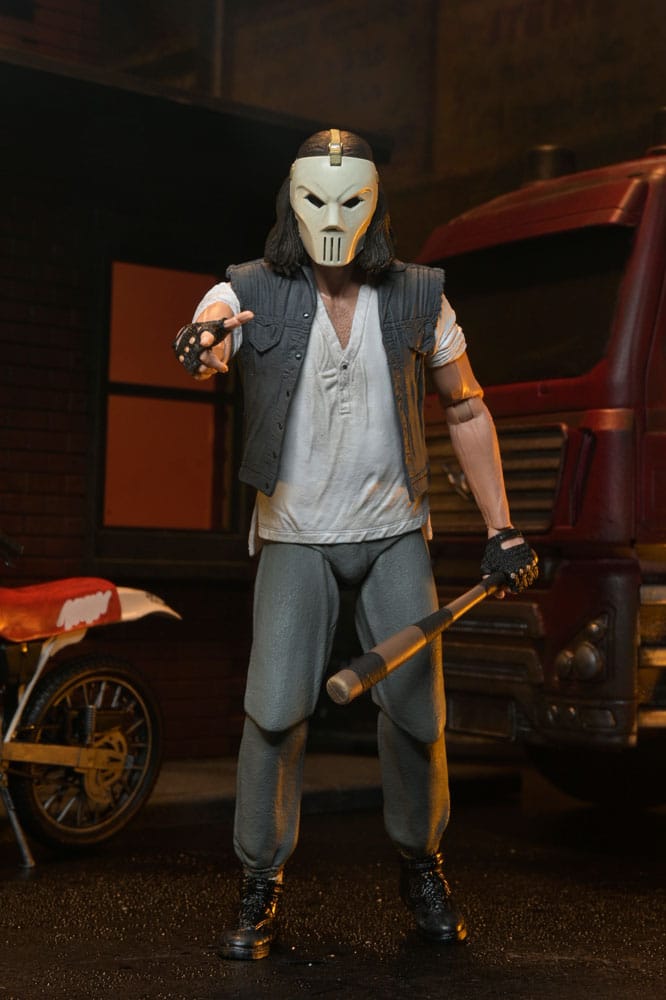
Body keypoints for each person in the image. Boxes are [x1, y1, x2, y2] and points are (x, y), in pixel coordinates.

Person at [173, 128, 537, 961]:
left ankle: (423, 865)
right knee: (273, 714)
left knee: (416, 715)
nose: (332, 218)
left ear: (373, 205)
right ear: (291, 200)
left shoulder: (418, 296)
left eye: (349, 201)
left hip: (392, 528)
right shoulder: (248, 288)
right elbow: (210, 338)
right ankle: (260, 880)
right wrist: (203, 345)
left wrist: (502, 526)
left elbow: (466, 405)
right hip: (296, 531)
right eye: (315, 199)